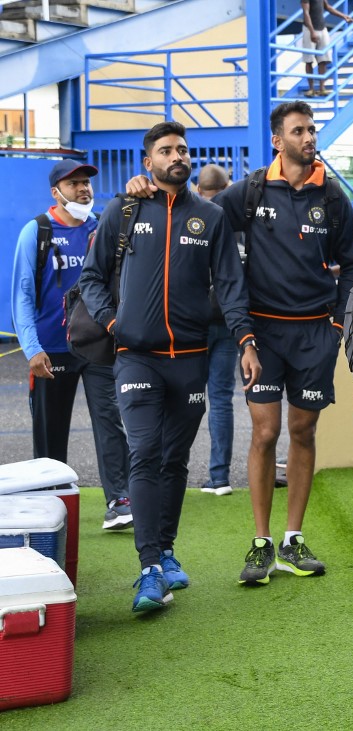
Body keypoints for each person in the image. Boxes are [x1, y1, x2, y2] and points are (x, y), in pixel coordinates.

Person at [79, 121, 261, 614]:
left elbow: (229, 284)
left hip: (191, 359)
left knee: (174, 460)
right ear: (148, 162)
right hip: (135, 356)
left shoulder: (211, 216)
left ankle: (167, 550)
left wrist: (245, 339)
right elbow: (92, 277)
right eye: (166, 150)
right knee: (144, 452)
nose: (176, 155)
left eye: (182, 149)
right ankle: (149, 568)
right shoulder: (124, 208)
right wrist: (114, 320)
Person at [215, 101, 353, 586]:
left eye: (312, 129)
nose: (310, 137)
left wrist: (338, 325)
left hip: (315, 334)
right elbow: (202, 221)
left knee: (302, 432)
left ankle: (292, 539)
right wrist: (148, 186)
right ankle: (261, 543)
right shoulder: (250, 191)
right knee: (263, 432)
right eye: (299, 130)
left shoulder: (333, 198)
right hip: (262, 335)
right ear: (278, 140)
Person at [10, 159, 133, 531]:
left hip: (97, 345)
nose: (84, 189)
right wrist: (32, 350)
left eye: (87, 183)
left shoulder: (101, 229)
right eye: (75, 183)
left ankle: (119, 498)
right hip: (51, 349)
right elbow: (22, 297)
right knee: (50, 429)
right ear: (56, 192)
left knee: (109, 420)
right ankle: (48, 502)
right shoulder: (37, 231)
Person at [196, 164, 236, 496]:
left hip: (190, 323)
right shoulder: (235, 219)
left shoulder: (192, 214)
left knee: (182, 398)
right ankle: (219, 476)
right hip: (227, 320)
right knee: (221, 399)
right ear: (228, 186)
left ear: (198, 188)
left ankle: (169, 472)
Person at [300, 0, 353, 97]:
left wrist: (343, 16)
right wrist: (312, 32)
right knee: (309, 60)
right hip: (309, 29)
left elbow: (328, 7)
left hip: (322, 28)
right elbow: (306, 13)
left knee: (323, 60)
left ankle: (322, 88)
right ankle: (311, 89)